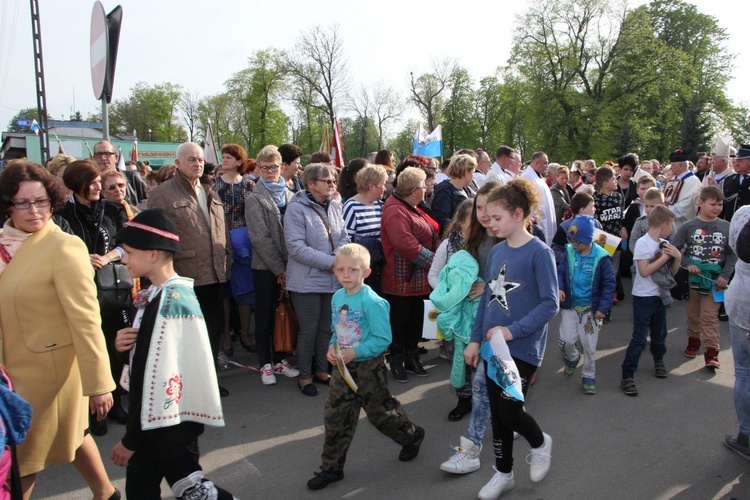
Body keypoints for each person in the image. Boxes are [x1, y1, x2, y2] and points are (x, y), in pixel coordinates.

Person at [0, 161, 119, 500]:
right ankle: (106, 493)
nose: (34, 210)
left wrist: (98, 384)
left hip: (49, 374)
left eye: (41, 201)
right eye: (23, 202)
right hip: (8, 370)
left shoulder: (64, 246)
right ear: (8, 203)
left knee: (21, 460)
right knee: (73, 435)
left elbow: (86, 319)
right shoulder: (3, 243)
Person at [110, 209, 234, 499]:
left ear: (153, 255)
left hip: (166, 427)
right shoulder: (164, 293)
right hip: (163, 422)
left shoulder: (167, 302)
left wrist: (131, 440)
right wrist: (123, 348)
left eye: (128, 251)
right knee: (145, 489)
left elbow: (150, 377)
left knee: (194, 491)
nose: (124, 258)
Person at [462, 178, 558, 499]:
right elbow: (487, 303)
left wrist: (512, 330)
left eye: (497, 218)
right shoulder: (497, 252)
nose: (490, 224)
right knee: (498, 417)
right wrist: (476, 340)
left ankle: (540, 442)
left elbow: (550, 303)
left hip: (523, 349)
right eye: (487, 218)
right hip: (492, 349)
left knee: (509, 412)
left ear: (518, 214)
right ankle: (503, 473)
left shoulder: (540, 253)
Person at [306, 244, 425, 490]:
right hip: (343, 367)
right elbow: (337, 329)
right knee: (336, 415)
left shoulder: (373, 302)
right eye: (340, 269)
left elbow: (383, 340)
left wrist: (355, 352)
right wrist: (332, 346)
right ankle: (331, 468)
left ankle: (411, 435)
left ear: (366, 272)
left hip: (369, 368)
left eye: (352, 269)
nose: (345, 274)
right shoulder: (338, 297)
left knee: (381, 415)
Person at [147, 142, 231, 397]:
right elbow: (157, 238)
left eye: (200, 159)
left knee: (212, 330)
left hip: (215, 272)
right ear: (178, 164)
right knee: (187, 335)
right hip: (186, 274)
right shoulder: (162, 194)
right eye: (191, 159)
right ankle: (185, 385)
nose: (197, 163)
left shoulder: (210, 189)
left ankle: (209, 380)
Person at [56, 159, 130, 434]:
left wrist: (109, 256)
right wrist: (82, 258)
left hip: (113, 289)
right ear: (77, 186)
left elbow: (126, 242)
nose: (99, 187)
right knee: (89, 347)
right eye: (93, 183)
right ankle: (92, 411)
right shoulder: (62, 214)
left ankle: (117, 402)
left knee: (116, 347)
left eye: (100, 182)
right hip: (80, 290)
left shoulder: (112, 209)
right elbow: (59, 246)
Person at [285, 163, 349, 396]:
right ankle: (304, 376)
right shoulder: (296, 208)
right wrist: (332, 262)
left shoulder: (335, 205)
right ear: (311, 184)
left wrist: (338, 259)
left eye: (333, 180)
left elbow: (343, 235)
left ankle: (322, 370)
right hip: (306, 282)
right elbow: (296, 248)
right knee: (309, 330)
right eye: (327, 181)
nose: (332, 184)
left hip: (331, 280)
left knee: (327, 329)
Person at [245, 145, 299, 386]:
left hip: (290, 265)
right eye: (265, 167)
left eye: (274, 167)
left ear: (282, 167)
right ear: (258, 168)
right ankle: (265, 363)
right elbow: (260, 238)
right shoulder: (255, 198)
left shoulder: (289, 194)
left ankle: (279, 359)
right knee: (266, 315)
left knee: (284, 313)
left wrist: (289, 267)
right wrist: (279, 269)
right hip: (266, 268)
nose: (269, 172)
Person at [381, 167, 438, 382]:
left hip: (419, 277)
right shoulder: (395, 210)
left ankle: (412, 357)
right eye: (424, 186)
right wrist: (436, 262)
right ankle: (397, 360)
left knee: (416, 320)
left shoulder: (413, 206)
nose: (427, 189)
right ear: (414, 190)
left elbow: (432, 232)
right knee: (400, 321)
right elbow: (406, 245)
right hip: (401, 279)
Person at [620, 205, 682, 396]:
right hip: (643, 297)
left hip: (659, 297)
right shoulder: (643, 243)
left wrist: (677, 258)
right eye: (671, 224)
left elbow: (671, 274)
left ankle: (659, 360)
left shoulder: (665, 243)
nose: (672, 228)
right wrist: (665, 257)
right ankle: (627, 376)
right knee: (639, 338)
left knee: (659, 335)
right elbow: (644, 271)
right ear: (664, 224)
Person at [672, 186, 736, 369]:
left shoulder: (726, 226)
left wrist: (725, 275)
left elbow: (732, 254)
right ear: (700, 203)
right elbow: (675, 250)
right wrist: (687, 264)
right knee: (693, 315)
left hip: (715, 281)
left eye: (720, 204)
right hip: (693, 280)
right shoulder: (688, 226)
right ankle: (693, 341)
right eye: (713, 204)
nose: (717, 208)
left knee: (710, 317)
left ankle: (711, 352)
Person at [428, 199, 480, 422]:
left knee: (479, 358)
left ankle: (483, 399)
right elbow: (434, 273)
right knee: (456, 357)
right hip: (451, 313)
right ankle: (463, 399)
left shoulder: (486, 245)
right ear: (459, 222)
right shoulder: (448, 245)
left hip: (477, 312)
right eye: (472, 222)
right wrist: (448, 293)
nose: (477, 227)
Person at [557, 215, 616, 394]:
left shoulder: (602, 257)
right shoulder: (569, 251)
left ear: (588, 239)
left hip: (590, 311)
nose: (574, 245)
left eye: (578, 242)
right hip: (570, 307)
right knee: (566, 340)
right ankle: (573, 357)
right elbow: (561, 271)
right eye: (572, 241)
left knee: (589, 346)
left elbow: (608, 284)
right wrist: (559, 287)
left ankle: (589, 375)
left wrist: (602, 309)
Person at [215, 143, 256, 358]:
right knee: (224, 292)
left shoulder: (250, 185)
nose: (225, 160)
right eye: (223, 157)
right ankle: (226, 336)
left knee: (244, 290)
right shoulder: (214, 186)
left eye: (229, 157)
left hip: (243, 245)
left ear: (240, 161)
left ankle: (246, 335)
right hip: (219, 243)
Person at [724, 205, 750, 459]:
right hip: (742, 304)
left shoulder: (744, 214)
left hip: (742, 301)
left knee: (744, 372)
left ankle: (746, 435)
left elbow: (734, 243)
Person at [342, 164, 388, 294]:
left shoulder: (380, 205)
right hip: (360, 267)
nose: (384, 188)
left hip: (378, 265)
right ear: (371, 186)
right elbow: (347, 239)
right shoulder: (351, 206)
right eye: (382, 184)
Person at [593, 165, 625, 308]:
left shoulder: (618, 196)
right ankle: (600, 295)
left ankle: (611, 294)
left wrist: (623, 226)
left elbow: (621, 214)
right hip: (602, 239)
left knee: (614, 270)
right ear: (605, 183)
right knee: (602, 267)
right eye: (613, 179)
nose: (616, 181)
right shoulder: (596, 199)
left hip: (616, 238)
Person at [551, 192, 602, 264]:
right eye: (592, 206)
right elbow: (556, 249)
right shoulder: (565, 226)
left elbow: (602, 247)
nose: (595, 209)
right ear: (582, 209)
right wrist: (569, 260)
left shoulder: (596, 224)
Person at [431, 153, 477, 235]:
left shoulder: (468, 189)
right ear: (466, 172)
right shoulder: (444, 191)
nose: (474, 177)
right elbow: (442, 219)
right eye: (473, 173)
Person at [92, 140, 147, 205]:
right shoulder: (90, 183)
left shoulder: (132, 178)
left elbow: (147, 201)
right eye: (99, 154)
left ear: (116, 157)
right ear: (94, 158)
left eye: (107, 154)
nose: (103, 158)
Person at [520, 151, 556, 245]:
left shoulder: (539, 178)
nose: (547, 165)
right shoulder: (526, 177)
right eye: (545, 163)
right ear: (537, 163)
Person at [663, 149, 701, 228]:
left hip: (682, 222)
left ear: (681, 166)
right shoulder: (673, 179)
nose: (671, 168)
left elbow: (689, 202)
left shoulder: (693, 180)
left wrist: (669, 210)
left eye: (673, 165)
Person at [722, 145, 750, 222]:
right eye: (736, 160)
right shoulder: (728, 179)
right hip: (730, 223)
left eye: (740, 161)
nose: (736, 164)